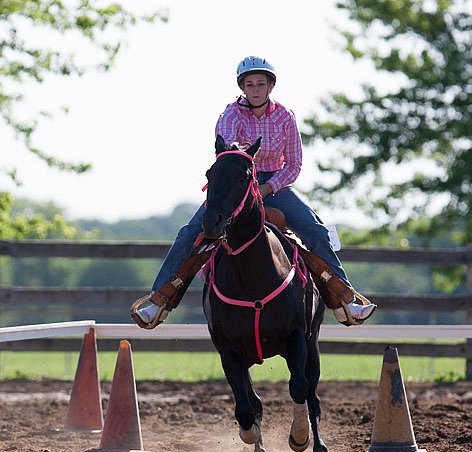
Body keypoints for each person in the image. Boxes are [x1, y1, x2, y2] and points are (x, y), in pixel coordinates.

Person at [132, 55, 376, 328]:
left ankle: (346, 299)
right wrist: (242, 165)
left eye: (261, 83)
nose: (256, 89)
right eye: (250, 84)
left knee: (316, 231)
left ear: (270, 86)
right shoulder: (230, 115)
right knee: (190, 233)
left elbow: (294, 165)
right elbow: (226, 148)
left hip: (275, 184)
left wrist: (267, 186)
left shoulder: (285, 117)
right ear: (242, 87)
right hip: (238, 181)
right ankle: (158, 301)